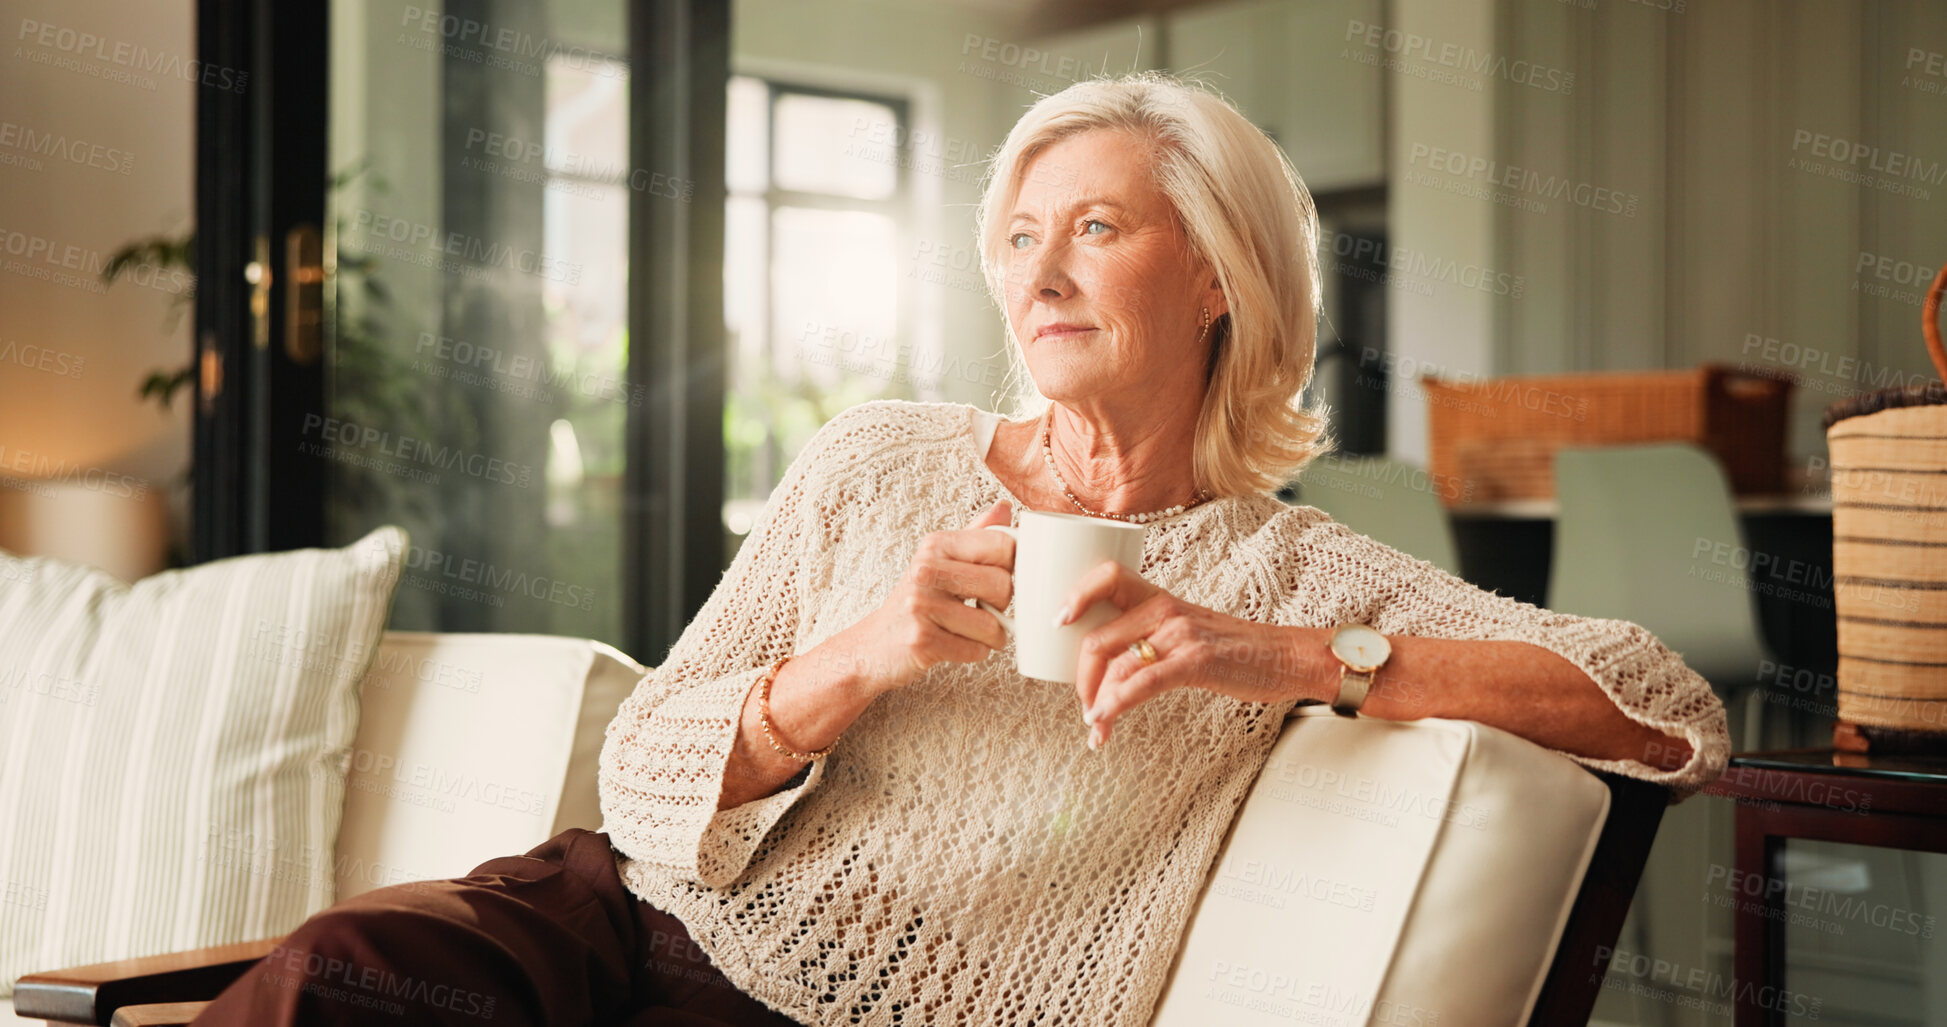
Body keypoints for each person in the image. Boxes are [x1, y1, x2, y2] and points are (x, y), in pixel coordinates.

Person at [194, 72, 1727, 1027]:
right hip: (621, 920)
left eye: (1097, 231)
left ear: (1219, 276)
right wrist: (868, 653)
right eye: (1020, 238)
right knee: (337, 975)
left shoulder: (1285, 568)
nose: (1040, 275)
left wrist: (1277, 657)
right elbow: (644, 766)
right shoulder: (883, 459)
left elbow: (1667, 710)